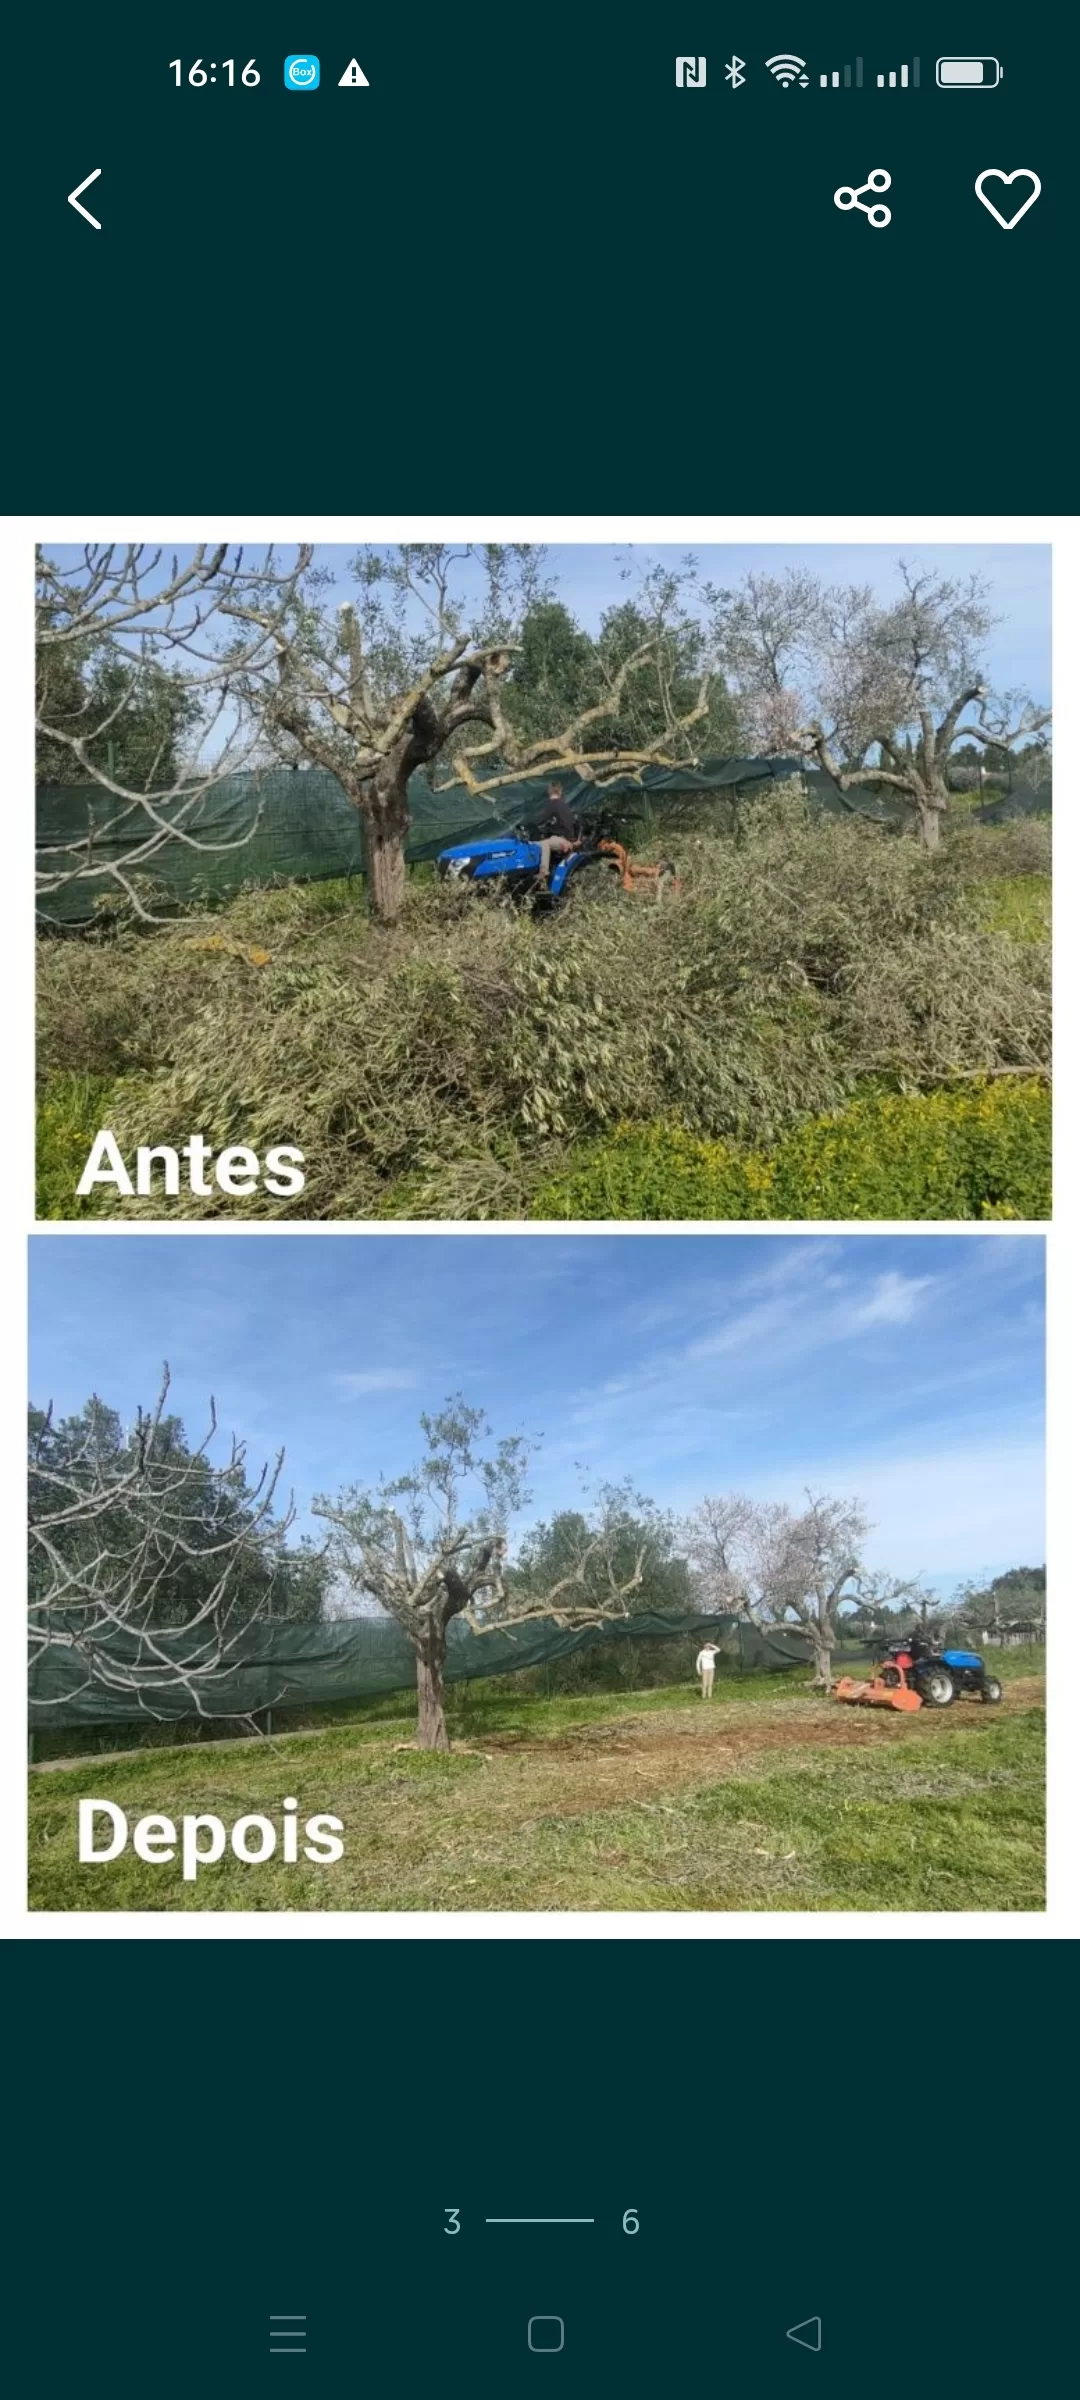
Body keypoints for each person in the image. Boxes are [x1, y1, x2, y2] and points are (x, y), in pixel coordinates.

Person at [535, 780, 579, 885]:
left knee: (542, 844)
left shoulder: (552, 805)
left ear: (549, 791)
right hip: (568, 838)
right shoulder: (564, 805)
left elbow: (541, 820)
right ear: (560, 791)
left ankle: (544, 871)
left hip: (562, 840)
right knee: (546, 841)